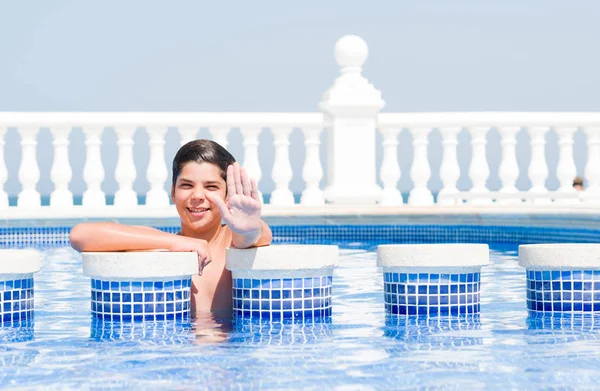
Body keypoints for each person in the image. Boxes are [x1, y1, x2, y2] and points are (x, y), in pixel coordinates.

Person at [70, 139, 272, 318]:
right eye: (186, 185)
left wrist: (248, 230)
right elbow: (80, 235)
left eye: (211, 187)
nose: (198, 196)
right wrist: (179, 242)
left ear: (227, 196)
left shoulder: (233, 238)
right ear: (173, 193)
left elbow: (255, 236)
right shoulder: (164, 244)